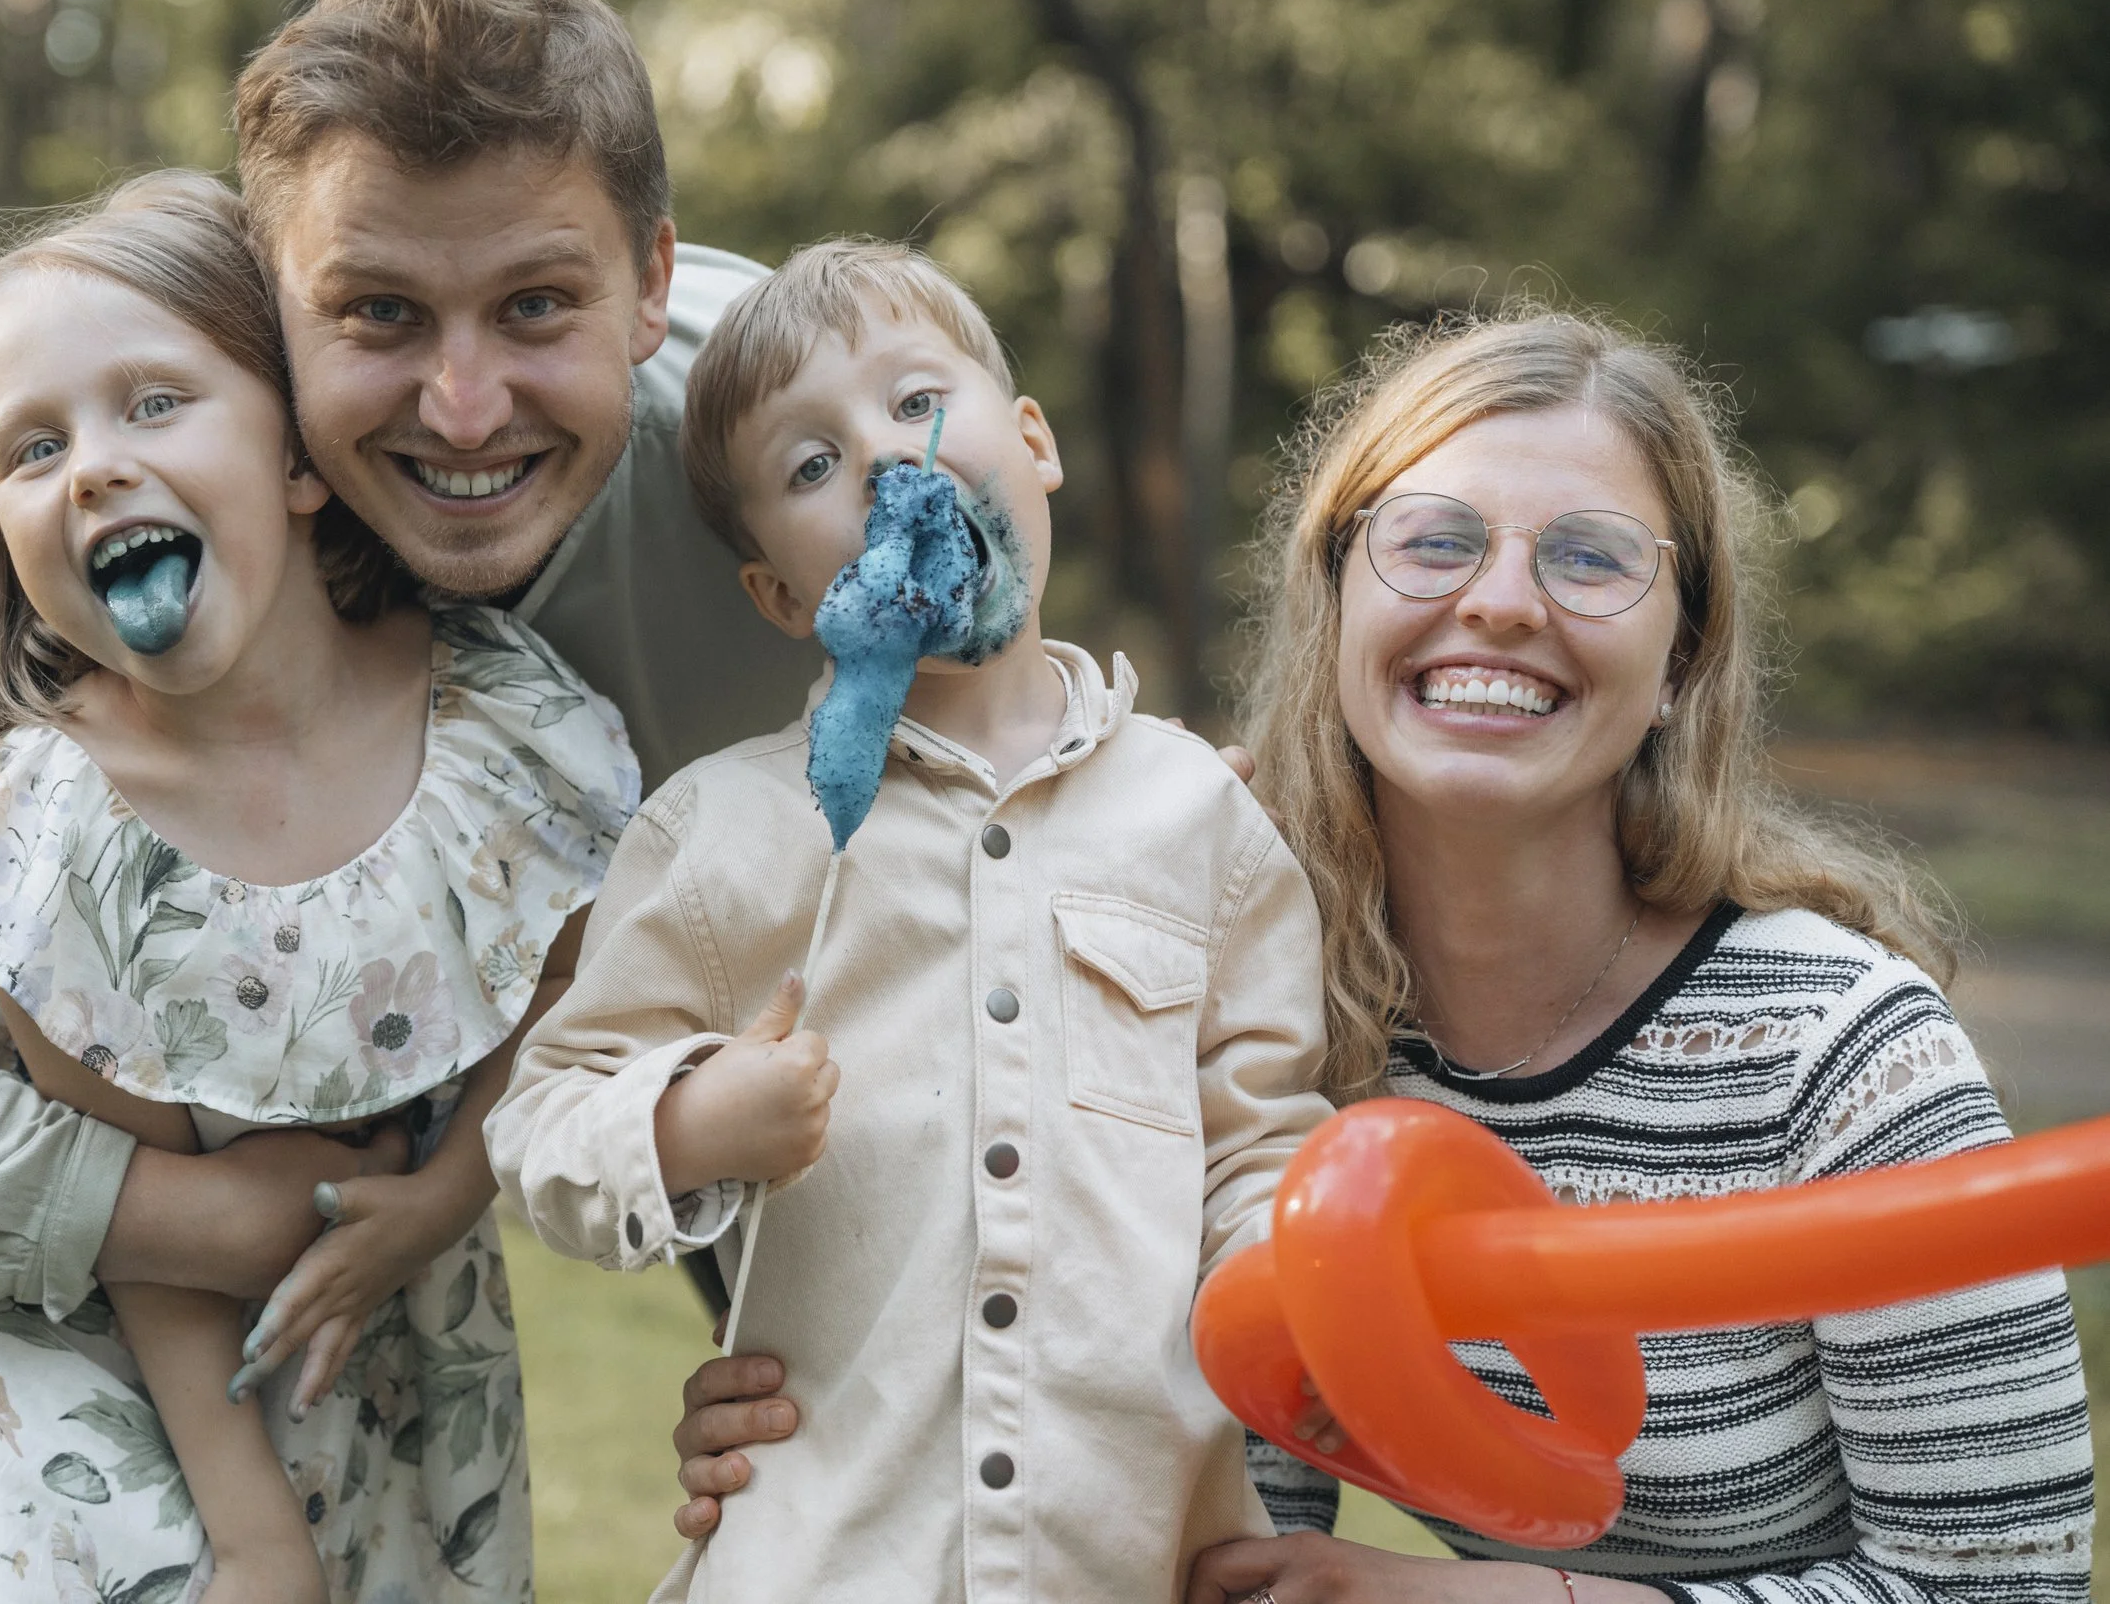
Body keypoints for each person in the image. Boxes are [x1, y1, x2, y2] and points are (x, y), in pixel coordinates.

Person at [0, 0, 812, 1596]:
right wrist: (197, 1223)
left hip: (641, 1212)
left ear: (650, 283)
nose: (464, 408)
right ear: (275, 320)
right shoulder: (96, 701)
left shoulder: (811, 434)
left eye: (539, 307)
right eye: (380, 316)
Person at [669, 310, 2098, 1603]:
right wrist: (840, 1417)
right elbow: (1216, 1507)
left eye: (1592, 557)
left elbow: (2010, 1593)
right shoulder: (1248, 1007)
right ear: (1338, 596)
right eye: (1433, 539)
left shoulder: (1844, 1058)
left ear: (1680, 662)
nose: (1502, 602)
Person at [0, 170, 636, 1599]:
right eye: (31, 449)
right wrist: (257, 1542)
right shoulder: (59, 830)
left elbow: (565, 996)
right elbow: (135, 1225)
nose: (92, 468)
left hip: (371, 1335)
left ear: (301, 456)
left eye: (154, 404)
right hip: (72, 1359)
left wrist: (445, 1197)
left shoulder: (506, 736)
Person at [485, 240, 1333, 1603]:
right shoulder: (717, 839)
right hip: (826, 1557)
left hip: (1132, 1560)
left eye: (918, 402)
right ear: (779, 595)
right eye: (812, 464)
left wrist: (1297, 1301)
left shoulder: (1206, 825)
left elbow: (1262, 1141)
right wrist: (688, 1121)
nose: (884, 461)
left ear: (1038, 444)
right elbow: (542, 1131)